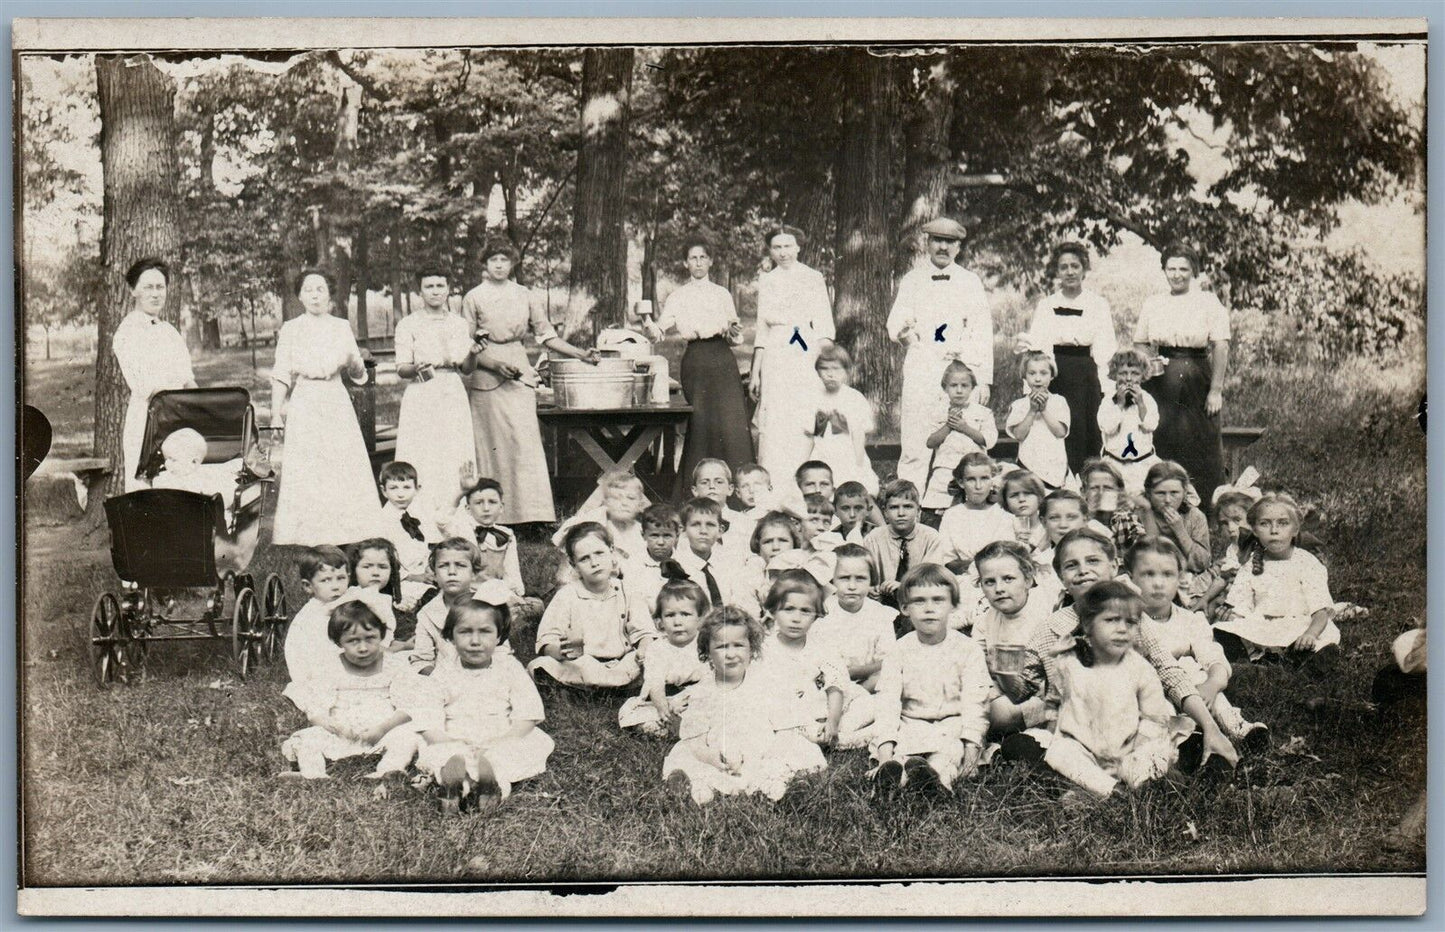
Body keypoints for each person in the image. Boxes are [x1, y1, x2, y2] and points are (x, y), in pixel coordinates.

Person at [1008, 528, 1239, 769]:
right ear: (1061, 577)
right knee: (1021, 746)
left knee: (1169, 739)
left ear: (1113, 567)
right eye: (1071, 565)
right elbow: (1024, 685)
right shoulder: (1051, 628)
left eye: (1093, 561)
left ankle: (1173, 762)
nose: (1083, 570)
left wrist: (1211, 727)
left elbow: (1169, 673)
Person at [462, 240, 599, 525]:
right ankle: (492, 517)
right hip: (485, 371)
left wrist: (581, 353)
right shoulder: (473, 297)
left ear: (513, 263)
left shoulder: (524, 295)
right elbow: (466, 343)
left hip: (519, 370)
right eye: (493, 259)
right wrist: (495, 364)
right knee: (490, 444)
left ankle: (531, 517)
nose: (499, 264)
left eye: (504, 259)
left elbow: (547, 336)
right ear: (485, 264)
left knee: (524, 444)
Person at [661, 606, 826, 805]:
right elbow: (695, 738)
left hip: (763, 749)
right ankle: (696, 786)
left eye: (738, 645)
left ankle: (781, 783)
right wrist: (711, 757)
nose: (731, 654)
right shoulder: (703, 692)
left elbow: (784, 727)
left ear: (751, 649)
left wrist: (770, 752)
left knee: (794, 750)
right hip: (720, 752)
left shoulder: (766, 683)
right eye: (722, 647)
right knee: (685, 753)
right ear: (708, 653)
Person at [1042, 581, 1188, 799]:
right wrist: (1052, 728)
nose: (1122, 629)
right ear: (1088, 624)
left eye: (1131, 623)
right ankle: (1112, 791)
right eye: (1111, 620)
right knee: (1059, 752)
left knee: (1153, 755)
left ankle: (1143, 788)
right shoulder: (1069, 662)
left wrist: (1139, 746)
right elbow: (1054, 699)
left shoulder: (1139, 668)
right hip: (1083, 748)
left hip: (1129, 748)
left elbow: (1155, 717)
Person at [270, 268, 382, 546]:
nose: (315, 295)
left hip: (334, 399)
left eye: (320, 289)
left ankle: (346, 533)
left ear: (330, 295)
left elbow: (360, 376)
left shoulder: (341, 327)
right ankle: (310, 536)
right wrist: (275, 413)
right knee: (309, 468)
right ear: (299, 296)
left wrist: (354, 362)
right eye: (308, 290)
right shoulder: (291, 329)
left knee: (339, 465)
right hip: (305, 400)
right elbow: (282, 372)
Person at [414, 595, 555, 809]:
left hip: (498, 736)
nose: (475, 641)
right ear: (450, 637)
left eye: (485, 631)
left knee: (527, 745)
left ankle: (483, 782)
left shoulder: (509, 667)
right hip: (456, 736)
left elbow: (527, 714)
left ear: (499, 636)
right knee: (436, 748)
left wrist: (507, 739)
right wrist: (443, 739)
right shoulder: (444, 670)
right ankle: (461, 780)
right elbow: (429, 714)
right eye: (465, 632)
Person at [1127, 537, 1268, 750]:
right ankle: (1184, 742)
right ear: (1131, 579)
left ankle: (1238, 728)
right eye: (1148, 574)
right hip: (1150, 689)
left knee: (1197, 674)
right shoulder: (1126, 621)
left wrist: (1211, 684)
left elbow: (1213, 658)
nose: (1158, 583)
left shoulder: (1190, 620)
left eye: (1167, 574)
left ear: (1179, 580)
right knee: (1160, 708)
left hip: (1193, 690)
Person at [887, 218, 994, 491]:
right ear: (928, 244)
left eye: (949, 242)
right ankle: (909, 500)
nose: (943, 247)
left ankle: (952, 497)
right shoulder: (912, 280)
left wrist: (982, 379)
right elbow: (896, 323)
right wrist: (908, 337)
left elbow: (981, 331)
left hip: (958, 368)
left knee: (960, 436)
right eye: (937, 240)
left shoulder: (970, 282)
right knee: (915, 437)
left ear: (958, 247)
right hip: (923, 365)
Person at [869, 564, 992, 795]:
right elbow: (887, 702)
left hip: (951, 723)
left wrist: (972, 754)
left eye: (938, 600)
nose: (929, 609)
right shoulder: (900, 650)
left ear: (953, 605)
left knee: (947, 753)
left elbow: (976, 703)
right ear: (905, 608)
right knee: (902, 753)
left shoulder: (967, 649)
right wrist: (885, 755)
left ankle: (936, 783)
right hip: (911, 722)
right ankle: (894, 778)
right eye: (919, 601)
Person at [643, 238, 754, 478]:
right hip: (696, 360)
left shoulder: (722, 294)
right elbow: (659, 332)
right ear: (686, 263)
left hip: (723, 358)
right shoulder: (678, 296)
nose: (699, 262)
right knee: (702, 422)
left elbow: (735, 335)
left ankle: (739, 484)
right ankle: (695, 486)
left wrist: (733, 332)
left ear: (711, 261)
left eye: (703, 257)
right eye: (693, 258)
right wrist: (650, 327)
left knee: (731, 420)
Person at [279, 597, 421, 780]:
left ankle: (388, 771)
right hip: (341, 732)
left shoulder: (394, 665)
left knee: (408, 736)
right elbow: (317, 711)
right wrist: (337, 728)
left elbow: (407, 707)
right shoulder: (329, 668)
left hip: (382, 730)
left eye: (370, 638)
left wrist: (382, 729)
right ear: (339, 642)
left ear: (382, 635)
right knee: (309, 738)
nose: (363, 648)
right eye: (353, 641)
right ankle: (313, 774)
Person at [1133, 243, 1231, 507]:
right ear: (1164, 270)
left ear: (1193, 271)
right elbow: (1140, 342)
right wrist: (1147, 362)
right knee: (1162, 435)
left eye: (1183, 269)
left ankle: (1205, 510)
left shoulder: (1208, 302)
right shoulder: (1154, 303)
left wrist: (1216, 389)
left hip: (1197, 374)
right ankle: (1161, 504)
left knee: (1201, 439)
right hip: (1161, 377)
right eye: (1171, 268)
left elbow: (1220, 345)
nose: (1177, 275)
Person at [1021, 242, 1117, 476]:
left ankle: (1085, 483)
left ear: (1084, 269)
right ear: (1057, 272)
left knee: (1085, 430)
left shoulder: (1097, 304)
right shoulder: (1047, 305)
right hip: (1054, 373)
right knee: (1055, 426)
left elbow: (1105, 348)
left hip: (1086, 373)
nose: (1070, 271)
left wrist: (1106, 386)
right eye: (1064, 267)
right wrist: (1035, 383)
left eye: (1075, 266)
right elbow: (1037, 347)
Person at [750, 226, 836, 481]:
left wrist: (824, 367)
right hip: (776, 355)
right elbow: (761, 330)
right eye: (777, 247)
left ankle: (805, 479)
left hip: (804, 351)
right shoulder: (766, 280)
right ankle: (774, 481)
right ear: (770, 251)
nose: (783, 252)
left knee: (802, 414)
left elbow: (823, 326)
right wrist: (756, 373)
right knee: (775, 418)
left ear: (798, 247)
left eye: (788, 246)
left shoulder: (813, 277)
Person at [1213, 492, 1345, 660]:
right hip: (1263, 628)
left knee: (1318, 641)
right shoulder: (1251, 565)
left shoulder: (1307, 563)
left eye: (1283, 523)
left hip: (1300, 625)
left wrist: (1310, 634)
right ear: (1254, 530)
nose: (1274, 531)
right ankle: (1254, 662)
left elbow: (1321, 612)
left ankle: (1302, 658)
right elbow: (1242, 606)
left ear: (1295, 529)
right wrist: (1233, 615)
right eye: (1265, 524)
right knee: (1221, 631)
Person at [393, 265, 477, 520]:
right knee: (423, 449)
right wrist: (414, 367)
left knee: (452, 448)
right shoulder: (408, 324)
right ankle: (419, 512)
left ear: (448, 289)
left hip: (451, 390)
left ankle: (455, 511)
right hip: (422, 391)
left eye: (440, 286)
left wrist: (474, 352)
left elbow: (466, 368)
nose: (435, 291)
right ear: (420, 291)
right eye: (429, 286)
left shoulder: (459, 324)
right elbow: (401, 368)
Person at [529, 523, 655, 689]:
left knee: (657, 656)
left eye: (599, 553)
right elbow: (547, 639)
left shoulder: (628, 591)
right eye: (584, 559)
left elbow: (645, 631)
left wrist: (643, 650)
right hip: (582, 664)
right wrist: (559, 651)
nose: (594, 563)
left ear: (611, 552)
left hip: (623, 662)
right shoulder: (567, 595)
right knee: (541, 665)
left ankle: (599, 688)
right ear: (574, 565)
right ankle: (610, 688)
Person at [111, 258, 196, 491]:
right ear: (133, 291)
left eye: (160, 287)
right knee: (146, 488)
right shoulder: (127, 332)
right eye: (148, 287)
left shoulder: (169, 332)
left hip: (179, 417)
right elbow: (144, 385)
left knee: (180, 484)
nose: (156, 293)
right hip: (148, 420)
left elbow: (187, 378)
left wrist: (198, 405)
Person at [972, 541, 1054, 740]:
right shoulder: (987, 619)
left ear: (1027, 579)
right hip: (1001, 688)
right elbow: (977, 662)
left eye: (1008, 579)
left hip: (1040, 696)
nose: (999, 588)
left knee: (995, 714)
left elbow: (1050, 678)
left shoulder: (1045, 614)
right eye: (989, 582)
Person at [618, 580, 711, 738]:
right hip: (664, 697)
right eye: (670, 615)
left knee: (711, 711)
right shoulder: (657, 648)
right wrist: (663, 709)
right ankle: (668, 726)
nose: (677, 622)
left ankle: (687, 727)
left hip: (695, 696)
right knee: (641, 717)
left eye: (685, 614)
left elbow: (710, 679)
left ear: (700, 618)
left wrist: (690, 698)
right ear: (659, 620)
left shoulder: (705, 644)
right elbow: (656, 684)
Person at [283, 546, 387, 685]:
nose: (335, 586)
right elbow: (311, 652)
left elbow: (379, 615)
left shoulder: (350, 598)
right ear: (308, 586)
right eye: (326, 580)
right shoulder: (311, 617)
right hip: (319, 667)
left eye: (340, 578)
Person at [412, 539, 513, 674]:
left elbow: (501, 651)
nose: (452, 572)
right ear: (434, 574)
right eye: (443, 566)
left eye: (460, 565)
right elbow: (422, 660)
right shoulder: (428, 613)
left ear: (474, 573)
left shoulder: (487, 604)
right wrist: (438, 679)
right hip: (446, 680)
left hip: (488, 677)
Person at [812, 543, 898, 693]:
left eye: (860, 578)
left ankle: (855, 699)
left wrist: (857, 672)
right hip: (829, 683)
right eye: (844, 578)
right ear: (832, 580)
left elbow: (887, 661)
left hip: (867, 683)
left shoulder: (880, 614)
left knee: (888, 675)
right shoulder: (823, 611)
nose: (852, 586)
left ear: (871, 580)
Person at [802, 345, 880, 496]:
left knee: (857, 490)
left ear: (846, 372)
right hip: (823, 453)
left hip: (847, 454)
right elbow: (814, 436)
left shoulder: (853, 398)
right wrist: (805, 462)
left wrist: (858, 464)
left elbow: (858, 434)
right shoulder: (815, 398)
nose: (830, 374)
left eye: (836, 369)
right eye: (825, 369)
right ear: (817, 372)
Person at [922, 362, 998, 515]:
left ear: (972, 387)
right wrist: (949, 426)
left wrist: (965, 428)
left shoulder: (983, 413)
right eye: (953, 385)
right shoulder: (937, 412)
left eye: (964, 386)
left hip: (975, 469)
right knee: (939, 509)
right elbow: (930, 442)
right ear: (945, 388)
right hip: (946, 468)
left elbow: (989, 441)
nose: (959, 390)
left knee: (978, 508)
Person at [863, 479, 949, 611]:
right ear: (885, 512)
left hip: (918, 600)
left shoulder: (931, 538)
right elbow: (864, 572)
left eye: (907, 506)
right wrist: (870, 587)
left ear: (918, 511)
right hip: (881, 601)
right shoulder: (873, 539)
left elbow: (932, 577)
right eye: (894, 507)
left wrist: (904, 587)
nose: (901, 513)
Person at [938, 453, 1015, 576]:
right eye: (971, 479)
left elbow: (1009, 557)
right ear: (961, 482)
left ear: (992, 479)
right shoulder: (952, 516)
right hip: (963, 581)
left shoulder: (1004, 515)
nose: (978, 486)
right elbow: (947, 560)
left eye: (984, 478)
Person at [1097, 348, 1162, 496]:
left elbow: (1151, 425)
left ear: (1142, 376)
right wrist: (1119, 404)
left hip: (1142, 465)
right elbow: (1107, 427)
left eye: (1134, 373)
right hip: (1114, 465)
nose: (1128, 379)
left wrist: (1140, 404)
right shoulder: (1108, 400)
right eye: (1123, 373)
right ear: (1114, 374)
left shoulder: (1147, 399)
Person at [376, 462, 440, 609]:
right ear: (384, 491)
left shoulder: (415, 515)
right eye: (393, 488)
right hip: (402, 579)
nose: (400, 494)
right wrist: (414, 577)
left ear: (416, 489)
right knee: (425, 598)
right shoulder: (383, 521)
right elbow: (388, 560)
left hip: (423, 572)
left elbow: (424, 547)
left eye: (406, 487)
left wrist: (429, 568)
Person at [1006, 351, 1071, 490]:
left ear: (1052, 375)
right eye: (1032, 373)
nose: (1037, 379)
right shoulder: (1019, 404)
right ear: (1024, 375)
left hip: (1054, 464)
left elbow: (1060, 432)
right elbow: (1019, 435)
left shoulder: (1059, 401)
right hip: (1029, 462)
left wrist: (1044, 410)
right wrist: (1032, 410)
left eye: (1043, 373)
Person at [1134, 461, 1211, 575]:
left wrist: (1180, 531)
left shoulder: (1195, 516)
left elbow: (1202, 564)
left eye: (1174, 493)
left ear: (1184, 492)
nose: (1168, 500)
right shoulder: (1138, 514)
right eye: (1160, 493)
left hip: (1190, 582)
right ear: (1149, 493)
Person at [346, 538, 408, 648]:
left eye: (382, 567)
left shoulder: (382, 598)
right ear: (354, 570)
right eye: (367, 566)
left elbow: (386, 638)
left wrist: (403, 645)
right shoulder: (354, 597)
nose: (375, 573)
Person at [999, 468, 1050, 554]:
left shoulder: (1048, 529)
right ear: (1005, 501)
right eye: (1014, 495)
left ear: (1039, 496)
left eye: (1028, 493)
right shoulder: (1003, 531)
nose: (1021, 499)